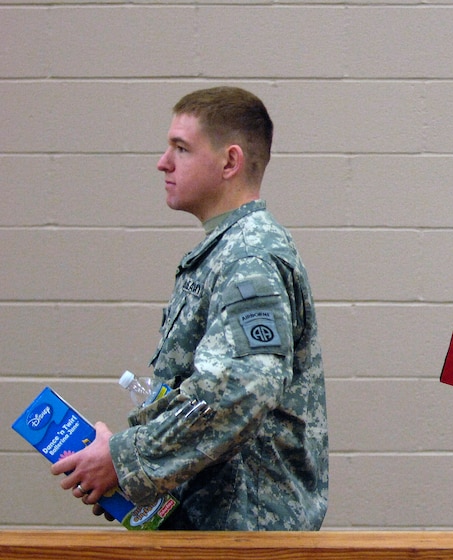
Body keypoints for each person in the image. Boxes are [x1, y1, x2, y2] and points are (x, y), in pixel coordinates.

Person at [51, 86, 329, 530]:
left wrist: (125, 459)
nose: (163, 162)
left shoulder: (248, 258)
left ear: (230, 162)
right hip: (215, 535)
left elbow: (243, 389)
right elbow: (207, 393)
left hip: (243, 546)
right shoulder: (225, 252)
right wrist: (128, 473)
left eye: (181, 148)